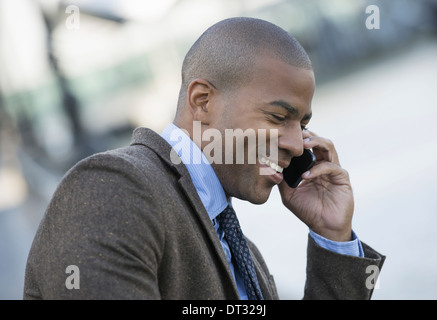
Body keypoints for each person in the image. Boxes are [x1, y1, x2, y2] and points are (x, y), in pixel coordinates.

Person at [24, 17, 385, 300]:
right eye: (278, 117)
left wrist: (332, 237)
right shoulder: (112, 187)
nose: (296, 144)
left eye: (303, 124)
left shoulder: (244, 256)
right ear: (202, 101)